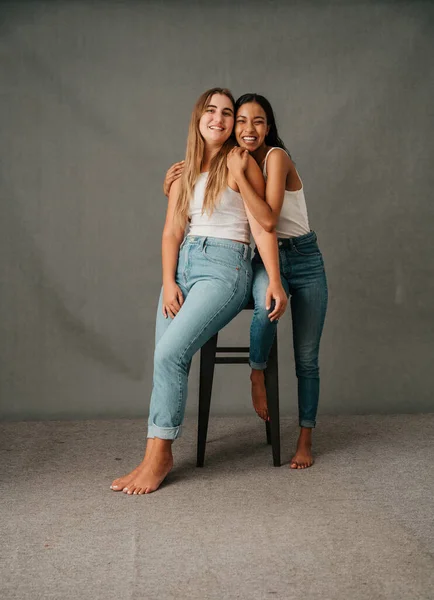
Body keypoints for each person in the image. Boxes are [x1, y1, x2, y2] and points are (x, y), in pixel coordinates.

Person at [111, 88, 287, 495]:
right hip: (184, 267)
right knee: (163, 358)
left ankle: (161, 456)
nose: (220, 119)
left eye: (228, 113)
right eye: (212, 111)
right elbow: (172, 231)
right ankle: (153, 451)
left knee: (170, 353)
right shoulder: (184, 171)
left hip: (226, 267)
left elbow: (262, 225)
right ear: (198, 118)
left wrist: (274, 278)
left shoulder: (240, 159)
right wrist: (169, 281)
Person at [163, 93, 328, 469]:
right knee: (265, 311)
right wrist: (170, 188)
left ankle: (305, 438)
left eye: (257, 121)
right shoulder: (233, 162)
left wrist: (238, 173)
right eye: (240, 121)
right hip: (264, 260)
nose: (247, 129)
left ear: (269, 127)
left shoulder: (274, 158)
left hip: (303, 259)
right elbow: (204, 204)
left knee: (307, 358)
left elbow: (267, 219)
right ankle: (257, 371)